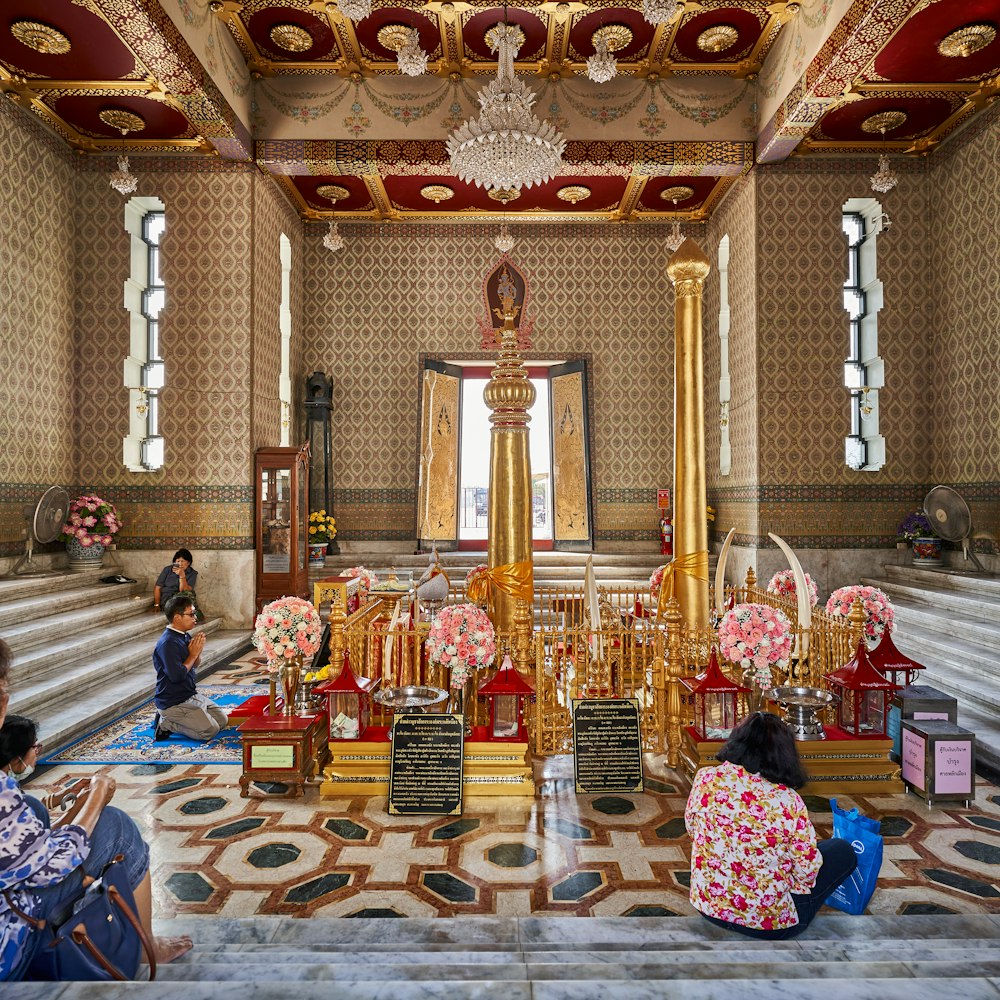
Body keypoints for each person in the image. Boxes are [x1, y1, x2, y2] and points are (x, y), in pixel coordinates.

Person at [0, 639, 192, 981]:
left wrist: (74, 809)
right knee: (117, 826)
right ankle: (145, 944)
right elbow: (50, 868)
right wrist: (96, 798)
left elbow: (20, 843)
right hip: (9, 943)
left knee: (32, 807)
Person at [684, 711, 857, 939]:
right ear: (783, 754)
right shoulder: (787, 800)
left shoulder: (705, 778)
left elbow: (692, 829)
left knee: (814, 852)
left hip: (709, 906)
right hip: (772, 924)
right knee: (842, 850)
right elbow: (806, 872)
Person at [151, 594, 227, 742]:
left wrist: (196, 653)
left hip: (189, 695)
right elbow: (177, 676)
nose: (195, 618)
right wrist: (192, 655)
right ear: (177, 617)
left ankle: (187, 717)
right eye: (191, 614)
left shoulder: (183, 635)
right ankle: (167, 724)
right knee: (210, 731)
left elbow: (194, 665)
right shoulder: (168, 643)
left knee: (222, 721)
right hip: (173, 702)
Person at [152, 549, 198, 615]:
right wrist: (156, 605)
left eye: (182, 561)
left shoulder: (193, 573)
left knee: (188, 594)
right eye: (178, 561)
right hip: (167, 599)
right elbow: (157, 588)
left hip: (182, 600)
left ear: (188, 563)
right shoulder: (167, 570)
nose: (180, 564)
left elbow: (184, 590)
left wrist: (182, 576)